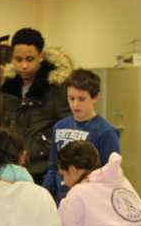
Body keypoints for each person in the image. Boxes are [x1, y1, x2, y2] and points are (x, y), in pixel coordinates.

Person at [0, 28, 74, 184]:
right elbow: (11, 125)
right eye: (18, 60)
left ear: (41, 56)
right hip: (17, 167)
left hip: (47, 169)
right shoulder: (10, 87)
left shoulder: (56, 87)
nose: (24, 65)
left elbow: (69, 128)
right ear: (12, 57)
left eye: (29, 59)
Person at [42, 69, 120, 204]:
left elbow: (110, 175)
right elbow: (54, 167)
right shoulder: (60, 126)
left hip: (89, 202)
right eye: (71, 98)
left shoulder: (106, 132)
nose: (75, 104)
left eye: (81, 99)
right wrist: (44, 195)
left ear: (95, 97)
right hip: (62, 201)